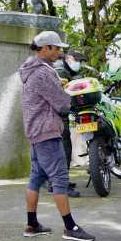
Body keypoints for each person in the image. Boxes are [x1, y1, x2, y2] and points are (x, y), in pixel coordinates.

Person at [20, 31, 95, 241]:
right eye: (56, 48)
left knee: (36, 177)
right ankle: (70, 227)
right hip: (46, 131)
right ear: (44, 48)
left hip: (36, 131)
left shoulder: (31, 69)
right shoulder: (43, 73)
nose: (60, 52)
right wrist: (69, 94)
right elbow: (62, 103)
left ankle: (32, 224)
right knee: (60, 178)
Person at [50, 51, 87, 198]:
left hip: (54, 115)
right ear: (70, 59)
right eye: (79, 61)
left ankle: (56, 182)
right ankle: (60, 185)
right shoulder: (61, 69)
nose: (80, 65)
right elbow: (60, 93)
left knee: (58, 149)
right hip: (56, 116)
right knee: (63, 149)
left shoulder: (63, 68)